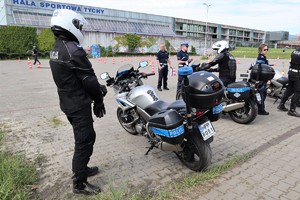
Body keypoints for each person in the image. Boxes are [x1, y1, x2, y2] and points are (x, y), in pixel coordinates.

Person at [49, 9, 107, 195]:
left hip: (67, 102)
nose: (80, 28)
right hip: (78, 104)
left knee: (83, 138)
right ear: (70, 24)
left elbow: (74, 78)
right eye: (79, 25)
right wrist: (99, 99)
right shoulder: (73, 50)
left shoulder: (57, 47)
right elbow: (88, 80)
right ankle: (79, 183)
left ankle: (83, 168)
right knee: (85, 140)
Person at [277, 48, 300, 117]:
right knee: (298, 92)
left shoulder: (295, 51)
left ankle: (281, 104)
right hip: (298, 75)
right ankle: (292, 110)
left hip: (291, 73)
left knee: (289, 90)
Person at [256, 44, 270, 115]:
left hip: (262, 80)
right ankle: (260, 110)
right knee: (261, 95)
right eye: (265, 49)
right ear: (261, 50)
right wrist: (258, 80)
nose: (266, 51)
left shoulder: (263, 57)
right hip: (261, 80)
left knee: (263, 95)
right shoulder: (261, 58)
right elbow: (259, 69)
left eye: (267, 49)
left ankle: (260, 109)